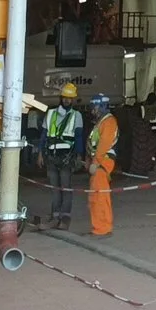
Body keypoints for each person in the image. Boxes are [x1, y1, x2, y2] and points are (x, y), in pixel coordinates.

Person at [43, 83, 84, 228]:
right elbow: (44, 136)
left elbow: (79, 137)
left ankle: (65, 218)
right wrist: (40, 155)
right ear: (61, 98)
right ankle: (55, 216)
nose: (67, 100)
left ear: (73, 100)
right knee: (55, 188)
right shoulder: (50, 114)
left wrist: (79, 156)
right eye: (65, 97)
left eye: (70, 98)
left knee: (65, 188)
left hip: (67, 156)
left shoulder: (76, 116)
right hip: (52, 155)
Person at [86, 93, 119, 237]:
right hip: (99, 162)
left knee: (100, 197)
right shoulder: (101, 122)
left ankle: (103, 228)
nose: (93, 110)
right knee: (95, 197)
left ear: (102, 107)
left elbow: (103, 145)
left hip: (103, 162)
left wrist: (95, 162)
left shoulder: (109, 122)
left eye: (95, 107)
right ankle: (98, 227)